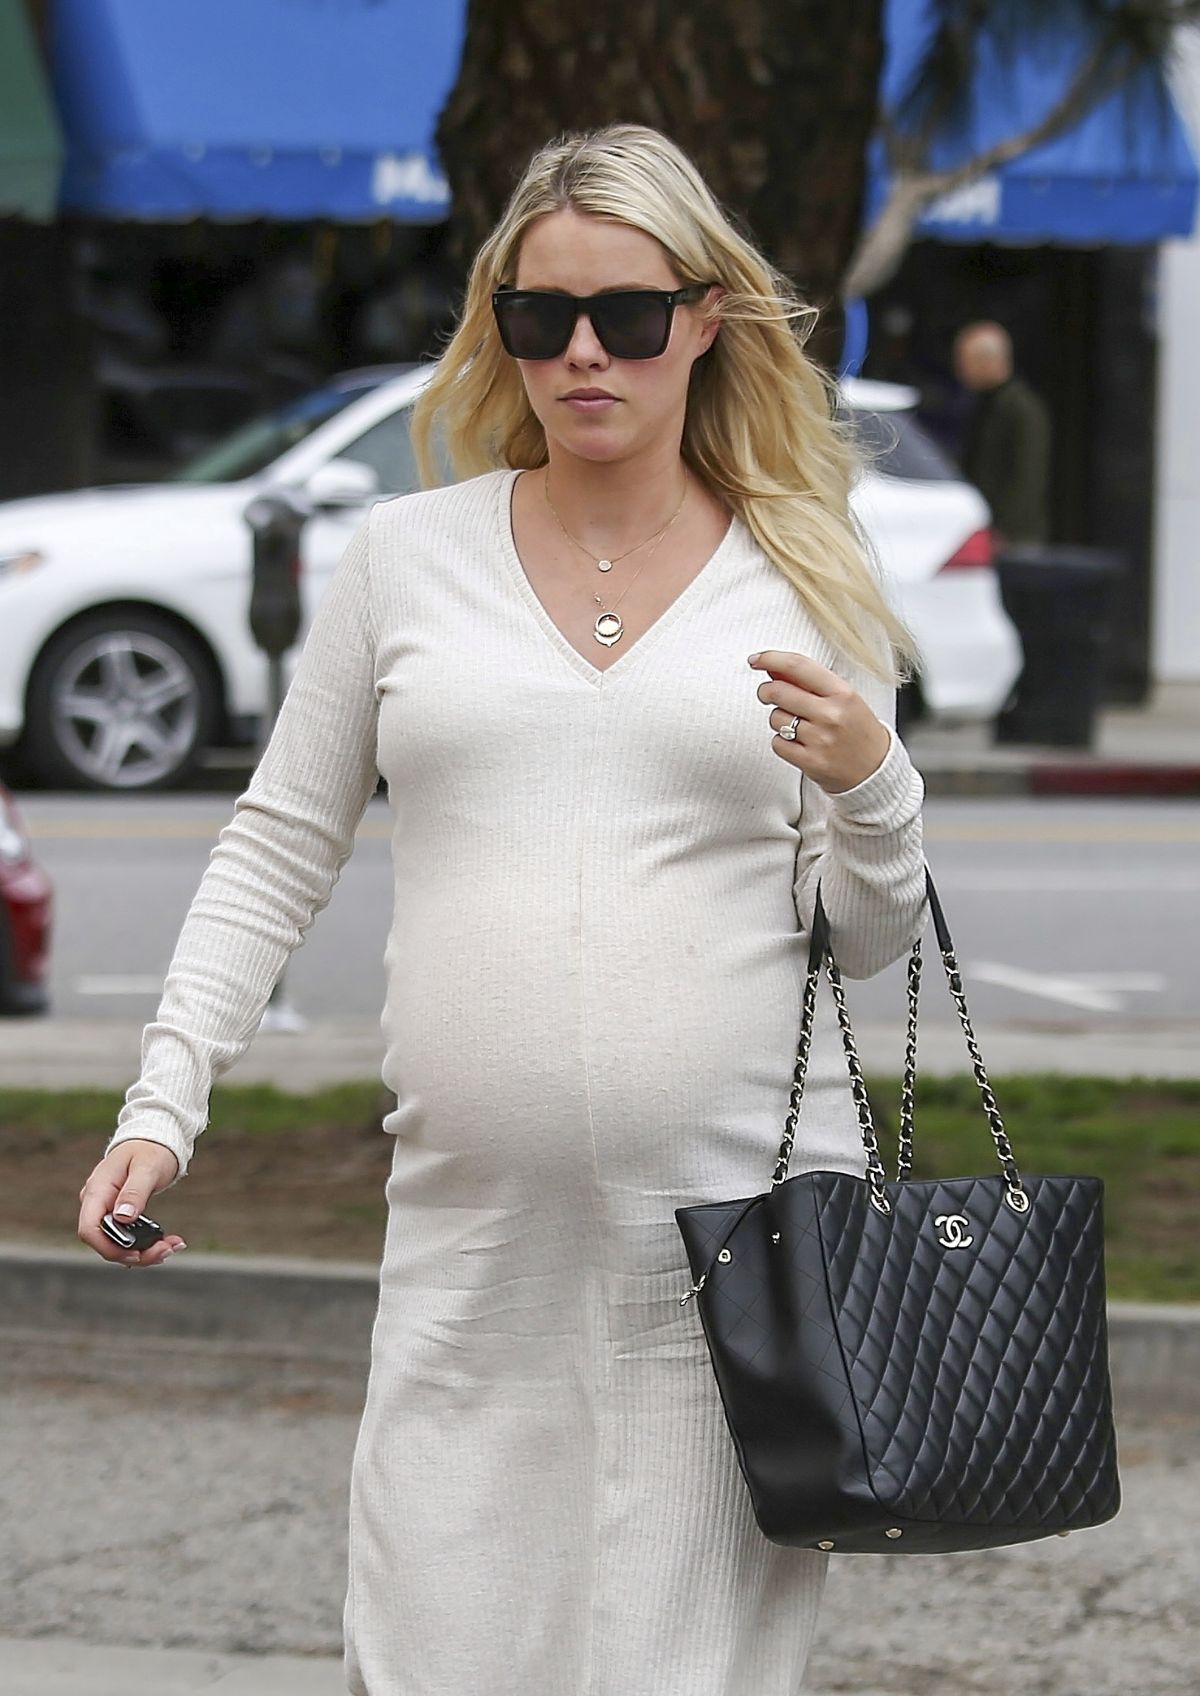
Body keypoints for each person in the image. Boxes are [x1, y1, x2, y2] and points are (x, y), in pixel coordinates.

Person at [77, 123, 929, 1696]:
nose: (583, 353)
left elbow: (866, 940)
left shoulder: (804, 571)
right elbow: (276, 847)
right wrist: (163, 1100)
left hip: (739, 1264)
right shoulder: (407, 560)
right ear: (501, 329)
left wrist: (875, 785)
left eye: (627, 315)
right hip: (476, 1248)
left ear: (706, 320)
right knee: (432, 1651)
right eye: (542, 317)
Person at [953, 319, 1052, 546]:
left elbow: (1028, 475)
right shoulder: (985, 405)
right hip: (985, 526)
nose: (960, 370)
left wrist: (1006, 530)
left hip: (1013, 536)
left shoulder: (1021, 408)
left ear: (988, 361)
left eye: (965, 361)